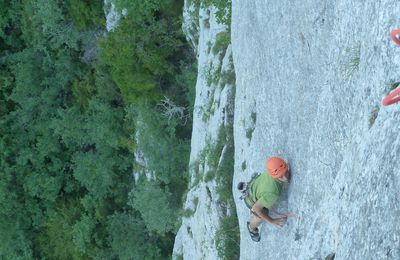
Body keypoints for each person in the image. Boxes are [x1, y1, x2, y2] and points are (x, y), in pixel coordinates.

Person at [238, 157, 290, 242]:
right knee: (262, 214)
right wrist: (272, 221)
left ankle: (251, 190)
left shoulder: (273, 169)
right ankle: (251, 228)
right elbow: (255, 208)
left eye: (286, 173)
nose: (286, 178)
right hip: (251, 200)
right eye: (281, 177)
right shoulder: (273, 192)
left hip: (254, 186)